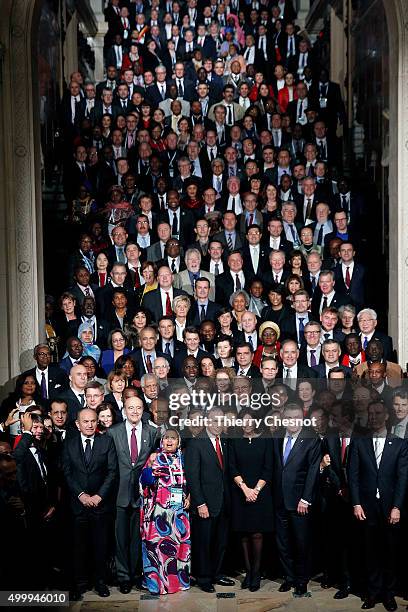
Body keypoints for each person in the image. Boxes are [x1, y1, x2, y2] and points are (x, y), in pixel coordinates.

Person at [348, 400, 408, 612]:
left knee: (390, 553)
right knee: (370, 553)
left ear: (386, 416)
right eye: (370, 413)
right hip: (366, 508)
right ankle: (372, 594)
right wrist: (356, 503)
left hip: (390, 508)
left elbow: (402, 479)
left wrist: (397, 507)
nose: (373, 417)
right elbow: (352, 476)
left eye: (378, 413)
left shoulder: (399, 444)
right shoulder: (359, 442)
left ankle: (389, 595)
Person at [62, 407, 118, 600]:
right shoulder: (68, 444)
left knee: (100, 546)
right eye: (85, 421)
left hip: (101, 505)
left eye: (93, 421)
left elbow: (112, 472)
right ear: (77, 424)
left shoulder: (106, 441)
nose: (89, 424)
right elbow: (67, 472)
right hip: (78, 506)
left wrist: (98, 496)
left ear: (97, 422)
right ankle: (80, 583)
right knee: (78, 547)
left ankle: (100, 582)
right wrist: (81, 495)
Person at [107, 395, 158, 593]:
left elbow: (156, 458)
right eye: (131, 408)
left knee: (138, 538)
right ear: (124, 410)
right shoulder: (113, 432)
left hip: (142, 495)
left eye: (138, 408)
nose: (135, 411)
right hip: (119, 494)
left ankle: (137, 575)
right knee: (120, 538)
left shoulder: (152, 432)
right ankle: (123, 577)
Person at [271, 403, 321, 597]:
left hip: (300, 502)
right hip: (279, 500)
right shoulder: (276, 437)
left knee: (301, 543)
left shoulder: (311, 439)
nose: (292, 422)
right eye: (289, 418)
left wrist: (306, 499)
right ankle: (289, 578)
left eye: (296, 418)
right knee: (282, 543)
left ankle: (302, 580)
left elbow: (313, 471)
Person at [185, 407, 235, 593]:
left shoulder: (225, 442)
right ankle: (203, 577)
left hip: (223, 502)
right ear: (206, 421)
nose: (218, 425)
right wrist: (200, 503)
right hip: (204, 504)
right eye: (214, 421)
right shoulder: (196, 444)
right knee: (203, 542)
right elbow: (192, 477)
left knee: (220, 541)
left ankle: (216, 573)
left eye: (221, 421)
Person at [139, 429, 191, 595]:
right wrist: (151, 473)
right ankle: (157, 584)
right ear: (162, 441)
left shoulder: (184, 458)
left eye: (173, 439)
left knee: (178, 547)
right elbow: (143, 482)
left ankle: (177, 583)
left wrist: (189, 496)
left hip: (178, 512)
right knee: (157, 549)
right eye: (166, 438)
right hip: (158, 512)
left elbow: (191, 480)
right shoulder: (154, 457)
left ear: (178, 442)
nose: (169, 441)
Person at [229, 410, 273, 591]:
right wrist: (245, 489)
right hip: (240, 492)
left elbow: (268, 469)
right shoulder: (234, 441)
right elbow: (232, 467)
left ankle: (256, 573)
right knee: (243, 534)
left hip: (260, 494)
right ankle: (248, 572)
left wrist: (255, 490)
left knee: (257, 534)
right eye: (243, 421)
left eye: (250, 421)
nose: (247, 424)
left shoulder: (265, 440)